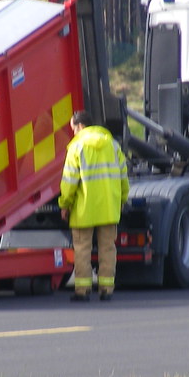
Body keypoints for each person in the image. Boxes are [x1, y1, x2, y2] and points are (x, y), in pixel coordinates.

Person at [58, 110, 129, 302]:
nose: (73, 133)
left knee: (82, 249)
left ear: (80, 126)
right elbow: (123, 177)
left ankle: (83, 290)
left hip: (84, 210)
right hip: (108, 207)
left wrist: (65, 204)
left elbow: (69, 181)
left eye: (73, 129)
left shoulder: (76, 147)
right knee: (107, 249)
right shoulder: (113, 146)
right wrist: (121, 200)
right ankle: (106, 289)